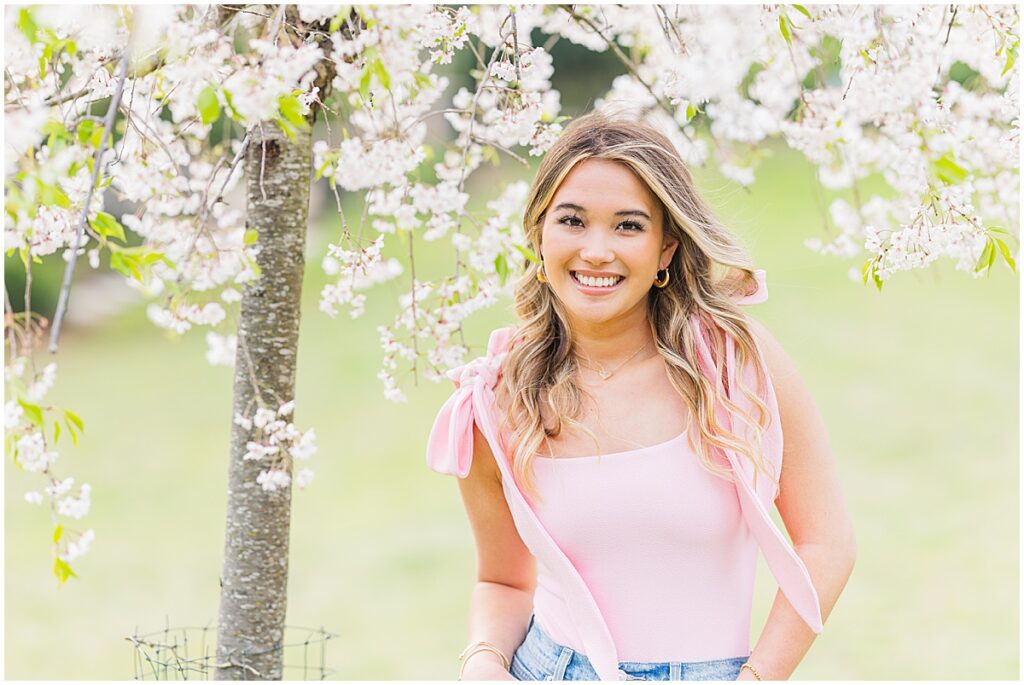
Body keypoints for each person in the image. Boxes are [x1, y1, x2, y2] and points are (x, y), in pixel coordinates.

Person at [426, 109, 856, 681]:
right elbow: (502, 581)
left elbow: (827, 544)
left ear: (666, 250)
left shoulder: (734, 365)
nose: (596, 251)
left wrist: (756, 679)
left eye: (628, 226)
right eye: (572, 220)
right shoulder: (499, 398)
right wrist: (483, 663)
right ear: (540, 233)